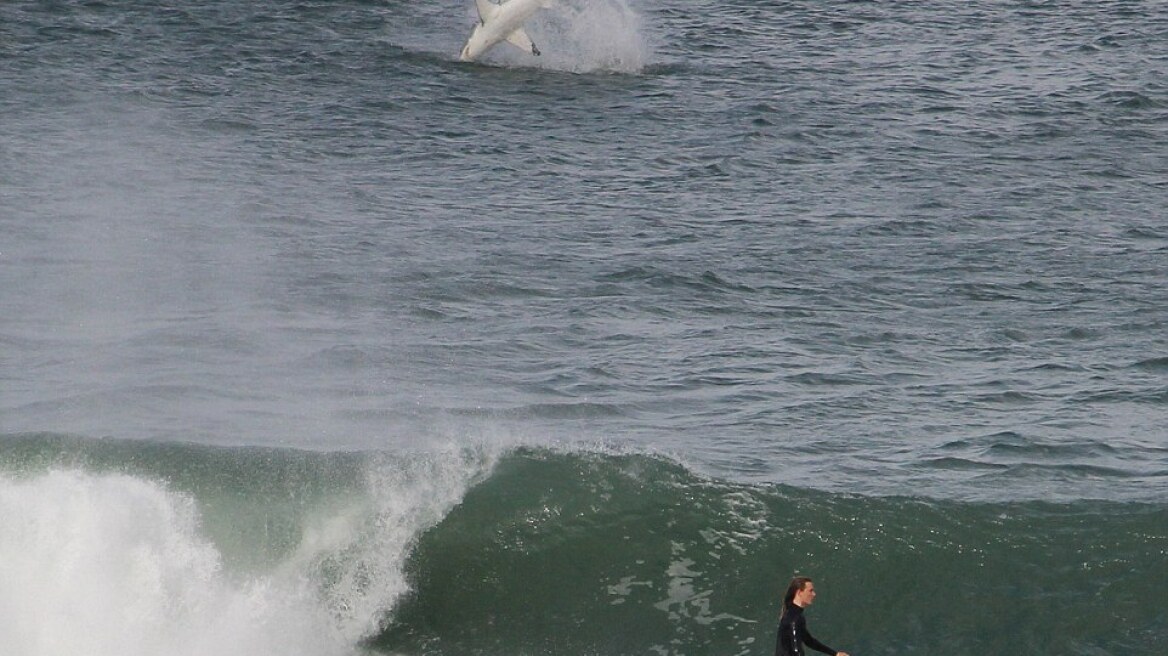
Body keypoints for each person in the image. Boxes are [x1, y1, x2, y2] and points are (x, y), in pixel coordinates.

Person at [774, 576, 849, 656]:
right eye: (810, 591)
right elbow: (796, 649)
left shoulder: (793, 614)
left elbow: (809, 641)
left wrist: (835, 653)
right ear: (799, 592)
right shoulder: (794, 618)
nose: (814, 594)